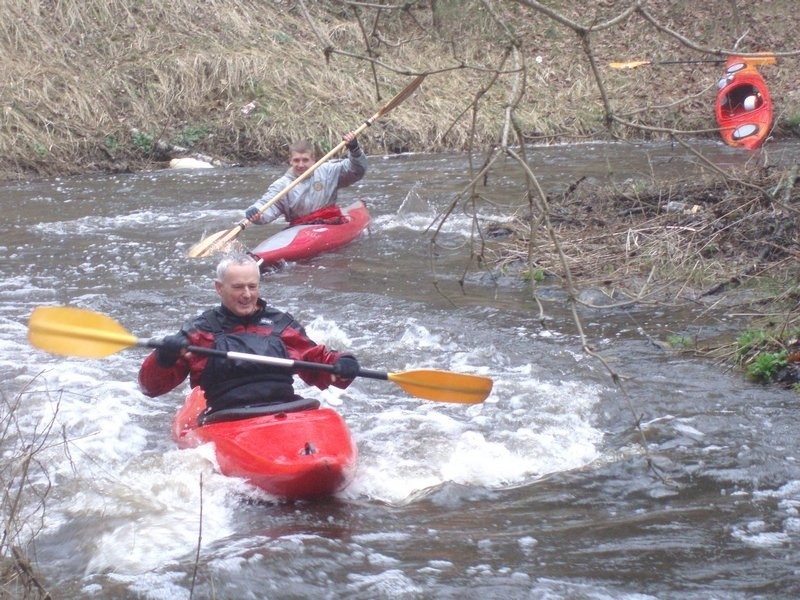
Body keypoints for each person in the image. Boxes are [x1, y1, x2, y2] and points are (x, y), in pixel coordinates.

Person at [138, 253, 360, 416]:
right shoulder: (200, 332)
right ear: (219, 288)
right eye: (238, 287)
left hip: (284, 410)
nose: (246, 295)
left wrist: (343, 365)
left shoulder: (280, 326)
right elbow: (150, 388)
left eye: (252, 287)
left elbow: (319, 366)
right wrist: (163, 358)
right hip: (227, 417)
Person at [244, 131, 367, 226]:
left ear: (313, 160)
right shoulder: (282, 185)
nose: (301, 165)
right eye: (296, 160)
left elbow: (357, 171)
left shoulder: (328, 170)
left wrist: (354, 149)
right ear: (290, 161)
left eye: (305, 160)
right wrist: (256, 213)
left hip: (331, 222)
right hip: (301, 227)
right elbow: (267, 205)